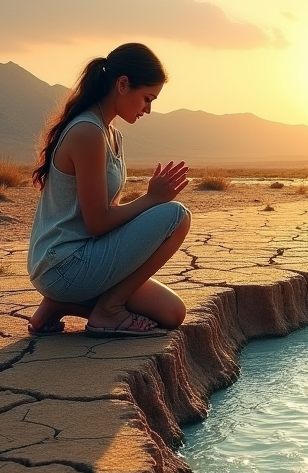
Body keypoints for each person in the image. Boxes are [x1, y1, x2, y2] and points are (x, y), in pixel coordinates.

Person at [27, 42, 190, 338]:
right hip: (63, 263)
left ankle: (58, 304)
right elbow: (98, 222)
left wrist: (150, 204)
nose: (149, 109)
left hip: (84, 259)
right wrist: (153, 199)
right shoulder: (87, 132)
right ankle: (109, 310)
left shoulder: (111, 134)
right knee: (177, 216)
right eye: (147, 98)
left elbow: (107, 219)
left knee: (172, 312)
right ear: (123, 84)